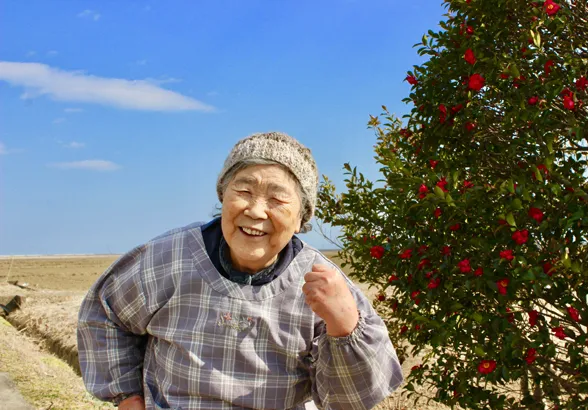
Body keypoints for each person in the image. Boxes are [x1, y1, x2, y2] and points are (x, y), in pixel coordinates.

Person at [77, 132, 403, 410]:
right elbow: (106, 313)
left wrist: (343, 325)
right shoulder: (170, 258)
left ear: (302, 216)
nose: (255, 210)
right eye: (244, 191)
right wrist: (127, 397)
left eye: (277, 198)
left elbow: (347, 402)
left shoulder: (323, 284)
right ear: (223, 194)